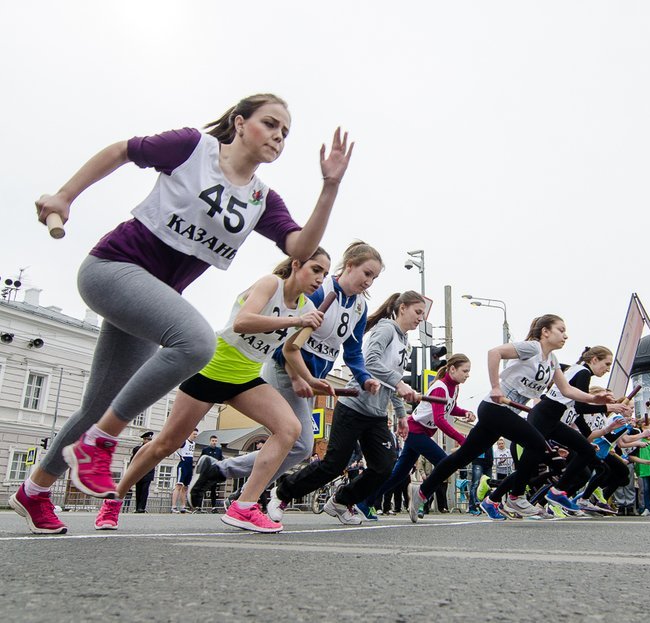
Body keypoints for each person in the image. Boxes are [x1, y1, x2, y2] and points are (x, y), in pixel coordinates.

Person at [10, 93, 352, 535]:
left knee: (98, 404)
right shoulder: (193, 149)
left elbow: (300, 248)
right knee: (196, 341)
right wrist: (65, 195)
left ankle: (34, 491)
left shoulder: (261, 199)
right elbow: (121, 150)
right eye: (270, 124)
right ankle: (101, 444)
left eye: (285, 133)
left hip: (154, 296)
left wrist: (330, 187)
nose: (278, 137)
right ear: (240, 122)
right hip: (113, 269)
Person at [93, 249, 330, 532]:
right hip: (211, 369)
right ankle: (113, 499)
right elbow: (243, 322)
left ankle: (244, 506)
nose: (320, 279)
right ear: (296, 264)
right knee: (165, 445)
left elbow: (291, 350)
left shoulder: (304, 308)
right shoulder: (271, 284)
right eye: (316, 269)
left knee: (290, 429)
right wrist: (296, 321)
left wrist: (307, 379)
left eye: (325, 274)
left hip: (245, 378)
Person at [186, 242, 381, 513]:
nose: (369, 282)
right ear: (349, 266)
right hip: (284, 368)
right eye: (367, 273)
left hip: (310, 379)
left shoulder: (358, 307)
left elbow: (352, 352)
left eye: (375, 278)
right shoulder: (319, 291)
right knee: (300, 443)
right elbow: (284, 339)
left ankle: (231, 483)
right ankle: (238, 488)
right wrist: (296, 376)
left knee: (297, 445)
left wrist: (363, 378)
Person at [409, 315, 614, 522]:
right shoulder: (532, 348)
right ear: (545, 332)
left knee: (462, 456)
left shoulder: (551, 361)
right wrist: (496, 387)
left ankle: (420, 493)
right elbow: (494, 353)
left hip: (502, 414)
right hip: (494, 408)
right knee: (537, 443)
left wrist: (594, 398)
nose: (565, 335)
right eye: (561, 330)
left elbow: (567, 390)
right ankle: (516, 496)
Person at [269, 291, 424, 525]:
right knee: (333, 465)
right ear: (402, 308)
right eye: (418, 312)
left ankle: (341, 501)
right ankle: (282, 493)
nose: (421, 318)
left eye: (423, 314)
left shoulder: (406, 344)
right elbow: (370, 361)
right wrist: (399, 382)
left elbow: (392, 384)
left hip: (377, 415)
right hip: (353, 407)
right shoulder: (385, 329)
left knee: (384, 467)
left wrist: (402, 415)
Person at [484, 346, 628, 516]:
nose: (607, 369)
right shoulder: (583, 372)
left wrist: (607, 424)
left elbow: (583, 423)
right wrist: (609, 406)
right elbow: (581, 407)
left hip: (550, 419)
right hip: (543, 417)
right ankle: (494, 499)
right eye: (607, 364)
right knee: (527, 468)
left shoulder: (576, 370)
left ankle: (557, 492)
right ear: (594, 360)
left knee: (587, 450)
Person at [356, 354, 476, 520]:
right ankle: (420, 494)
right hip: (415, 431)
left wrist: (465, 413)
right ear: (452, 369)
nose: (467, 375)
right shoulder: (441, 387)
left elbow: (451, 407)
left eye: (468, 371)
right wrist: (462, 439)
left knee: (398, 475)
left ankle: (366, 502)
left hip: (422, 432)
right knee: (444, 462)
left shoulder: (454, 387)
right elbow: (439, 420)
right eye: (465, 371)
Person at [171, 429, 198, 513]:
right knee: (178, 485)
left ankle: (183, 506)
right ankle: (174, 506)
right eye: (194, 434)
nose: (195, 436)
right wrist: (180, 455)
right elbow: (174, 447)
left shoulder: (193, 443)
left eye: (196, 434)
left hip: (189, 465)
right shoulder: (184, 442)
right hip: (183, 465)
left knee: (185, 487)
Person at [131, 431, 155, 514]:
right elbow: (133, 461)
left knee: (145, 490)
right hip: (139, 472)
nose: (149, 441)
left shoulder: (153, 449)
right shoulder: (137, 449)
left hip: (148, 472)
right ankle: (138, 507)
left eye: (150, 439)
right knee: (138, 490)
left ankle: (142, 507)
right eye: (148, 439)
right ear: (144, 440)